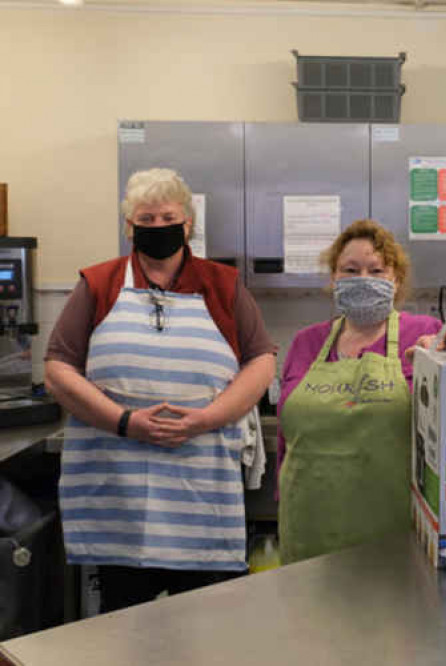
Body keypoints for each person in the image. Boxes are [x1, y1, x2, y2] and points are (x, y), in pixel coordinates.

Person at [45, 168, 276, 612]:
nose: (157, 228)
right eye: (144, 220)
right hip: (118, 498)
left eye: (167, 217)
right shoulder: (99, 284)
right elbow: (58, 369)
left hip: (200, 499)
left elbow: (261, 362)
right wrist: (125, 422)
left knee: (207, 628)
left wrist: (207, 418)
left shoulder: (222, 286)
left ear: (188, 223)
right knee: (125, 630)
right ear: (129, 227)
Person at [276, 218, 442, 564]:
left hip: (391, 536)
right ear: (334, 279)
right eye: (350, 270)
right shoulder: (307, 342)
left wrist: (443, 357)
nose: (363, 280)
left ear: (396, 280)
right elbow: (285, 438)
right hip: (309, 530)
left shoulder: (424, 334)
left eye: (376, 270)